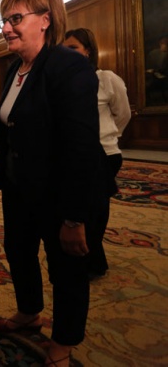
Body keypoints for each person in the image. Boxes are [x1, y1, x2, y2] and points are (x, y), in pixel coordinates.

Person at [0, 0, 102, 366]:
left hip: (59, 195)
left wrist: (73, 217)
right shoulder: (16, 70)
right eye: (4, 20)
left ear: (45, 20)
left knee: (66, 267)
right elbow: (10, 128)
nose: (6, 28)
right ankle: (29, 312)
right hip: (19, 191)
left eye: (16, 18)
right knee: (19, 253)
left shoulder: (68, 66)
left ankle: (66, 339)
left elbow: (81, 146)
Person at [63, 28, 131, 279]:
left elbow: (123, 114)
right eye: (64, 49)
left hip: (105, 153)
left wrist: (109, 136)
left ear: (88, 51)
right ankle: (93, 260)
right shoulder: (65, 82)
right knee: (85, 209)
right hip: (79, 155)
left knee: (94, 209)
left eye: (73, 48)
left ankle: (93, 262)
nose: (67, 54)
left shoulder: (106, 78)